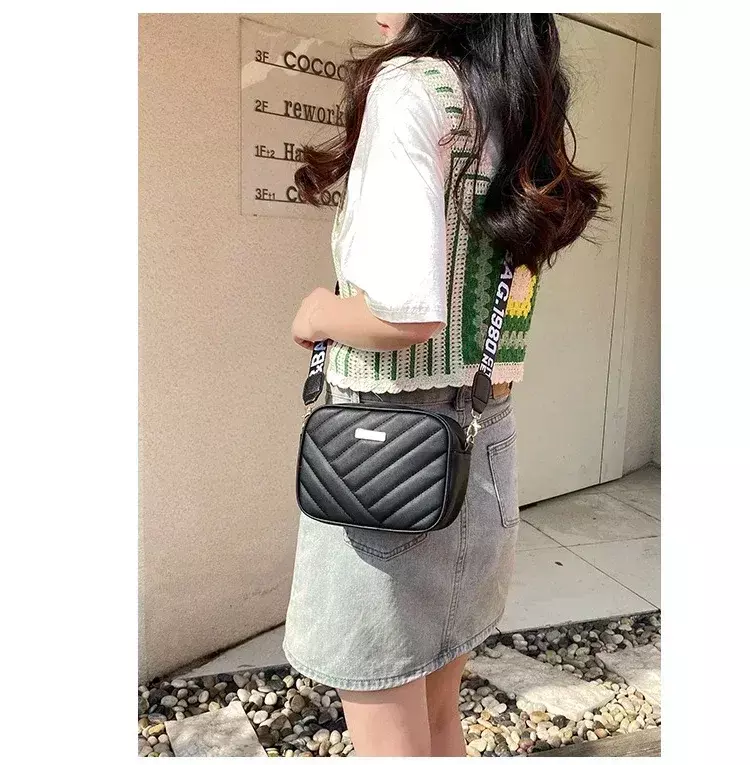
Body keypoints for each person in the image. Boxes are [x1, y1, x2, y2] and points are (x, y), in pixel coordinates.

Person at [283, 13, 607, 757]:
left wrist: (318, 311)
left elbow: (402, 314)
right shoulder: (517, 105)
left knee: (389, 726)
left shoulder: (412, 89)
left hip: (384, 453)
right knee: (435, 714)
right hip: (483, 441)